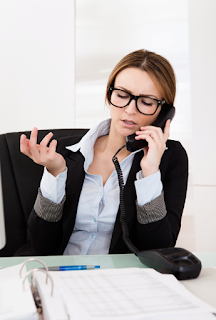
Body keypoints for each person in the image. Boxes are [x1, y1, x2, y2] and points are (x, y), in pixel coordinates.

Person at [20, 49, 188, 256]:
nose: (130, 109)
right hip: (60, 276)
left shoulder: (171, 157)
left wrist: (150, 173)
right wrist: (55, 173)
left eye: (146, 102)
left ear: (163, 112)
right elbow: (40, 245)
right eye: (122, 95)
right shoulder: (62, 152)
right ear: (110, 95)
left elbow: (160, 249)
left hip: (122, 280)